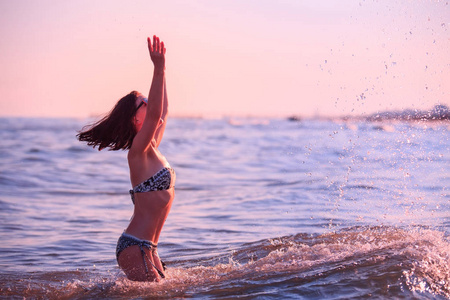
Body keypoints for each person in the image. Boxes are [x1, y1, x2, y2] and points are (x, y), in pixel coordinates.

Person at [77, 35, 174, 282]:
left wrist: (165, 68)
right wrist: (158, 68)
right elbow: (155, 115)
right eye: (143, 102)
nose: (150, 103)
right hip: (134, 247)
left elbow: (161, 111)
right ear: (135, 120)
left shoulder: (152, 145)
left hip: (148, 248)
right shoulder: (138, 151)